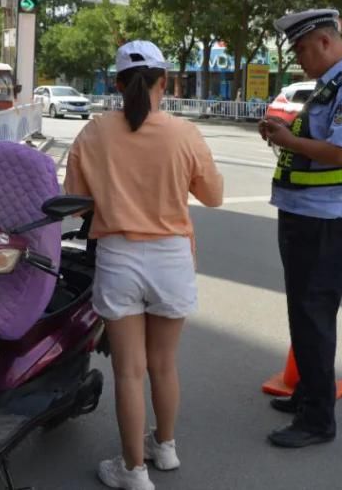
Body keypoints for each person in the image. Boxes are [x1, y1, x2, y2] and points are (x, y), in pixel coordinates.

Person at [64, 41, 223, 490]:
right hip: (172, 257)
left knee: (129, 370)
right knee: (164, 364)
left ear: (116, 84)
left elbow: (77, 206)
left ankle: (133, 470)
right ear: (164, 82)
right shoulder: (184, 134)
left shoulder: (93, 133)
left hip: (118, 257)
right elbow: (213, 196)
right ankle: (165, 447)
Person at [257, 8, 342, 448]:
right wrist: (284, 132)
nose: (300, 61)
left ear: (326, 42)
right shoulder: (332, 84)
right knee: (304, 313)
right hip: (305, 211)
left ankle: (317, 421)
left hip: (326, 218)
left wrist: (289, 140)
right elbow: (320, 140)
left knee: (313, 315)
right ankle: (308, 392)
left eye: (303, 50)